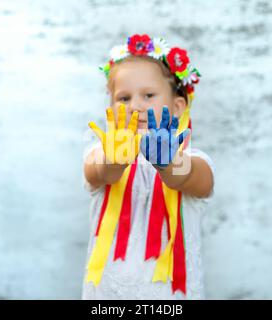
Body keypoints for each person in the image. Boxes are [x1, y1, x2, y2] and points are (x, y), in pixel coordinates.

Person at [82, 34, 215, 299]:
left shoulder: (193, 161)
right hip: (109, 297)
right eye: (123, 98)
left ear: (178, 107)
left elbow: (187, 177)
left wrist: (167, 164)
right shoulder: (101, 154)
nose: (135, 106)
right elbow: (99, 172)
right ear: (110, 107)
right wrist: (114, 161)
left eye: (149, 95)